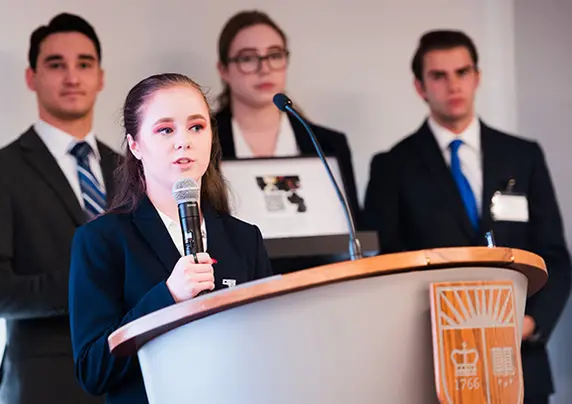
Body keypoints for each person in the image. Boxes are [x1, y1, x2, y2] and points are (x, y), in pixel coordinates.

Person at [363, 30, 571, 404]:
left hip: (520, 360)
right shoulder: (392, 167)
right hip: (435, 364)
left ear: (477, 77)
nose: (453, 85)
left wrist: (527, 325)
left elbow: (554, 255)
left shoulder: (522, 157)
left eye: (462, 72)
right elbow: (383, 264)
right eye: (439, 76)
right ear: (420, 87)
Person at [69, 73, 275, 404]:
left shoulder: (244, 238)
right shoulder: (101, 240)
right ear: (135, 145)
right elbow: (93, 370)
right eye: (165, 130)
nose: (184, 141)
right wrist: (167, 297)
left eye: (197, 127)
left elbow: (269, 350)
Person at [0, 13, 118, 404]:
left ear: (100, 77)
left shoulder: (134, 170)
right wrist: (86, 286)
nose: (72, 77)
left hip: (133, 377)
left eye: (84, 64)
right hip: (45, 384)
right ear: (31, 77)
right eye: (55, 64)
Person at [214, 10, 361, 228]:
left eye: (274, 55)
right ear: (224, 70)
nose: (264, 69)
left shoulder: (328, 143)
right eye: (248, 58)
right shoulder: (202, 144)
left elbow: (352, 228)